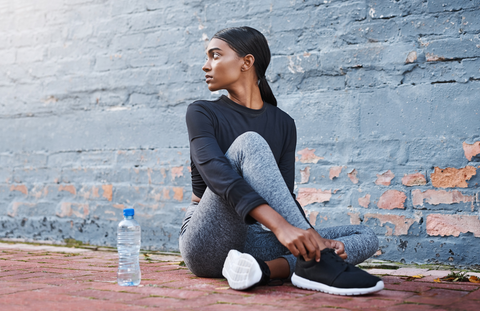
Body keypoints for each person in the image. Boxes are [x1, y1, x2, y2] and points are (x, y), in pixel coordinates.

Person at [179, 26, 384, 295]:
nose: (206, 66)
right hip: (207, 240)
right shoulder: (201, 112)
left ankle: (262, 270)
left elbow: (282, 196)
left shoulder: (284, 124)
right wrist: (282, 228)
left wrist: (308, 235)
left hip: (257, 239)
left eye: (215, 56)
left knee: (364, 236)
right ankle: (314, 263)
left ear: (247, 62)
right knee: (249, 142)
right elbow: (217, 175)